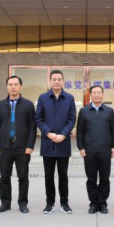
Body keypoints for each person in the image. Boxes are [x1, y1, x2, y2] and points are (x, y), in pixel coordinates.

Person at [0, 75, 37, 214]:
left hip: (22, 147)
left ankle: (23, 203)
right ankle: (5, 203)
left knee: (23, 177)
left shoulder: (28, 105)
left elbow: (32, 127)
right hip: (4, 147)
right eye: (10, 84)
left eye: (15, 84)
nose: (13, 87)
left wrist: (30, 145)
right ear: (7, 87)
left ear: (20, 86)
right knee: (4, 177)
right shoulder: (0, 105)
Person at [35, 70, 77, 215]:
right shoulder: (43, 98)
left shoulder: (69, 98)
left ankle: (64, 203)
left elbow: (72, 119)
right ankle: (50, 203)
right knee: (49, 175)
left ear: (63, 81)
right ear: (50, 81)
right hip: (48, 142)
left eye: (59, 79)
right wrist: (48, 133)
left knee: (63, 175)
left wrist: (64, 134)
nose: (57, 82)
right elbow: (38, 118)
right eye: (54, 79)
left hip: (63, 142)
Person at [77, 85, 114, 214]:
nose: (96, 95)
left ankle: (103, 203)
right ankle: (93, 203)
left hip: (105, 150)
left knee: (105, 178)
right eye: (94, 93)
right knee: (91, 179)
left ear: (103, 94)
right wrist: (81, 147)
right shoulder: (84, 111)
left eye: (99, 92)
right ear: (90, 95)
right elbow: (80, 131)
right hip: (89, 150)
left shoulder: (109, 111)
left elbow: (113, 130)